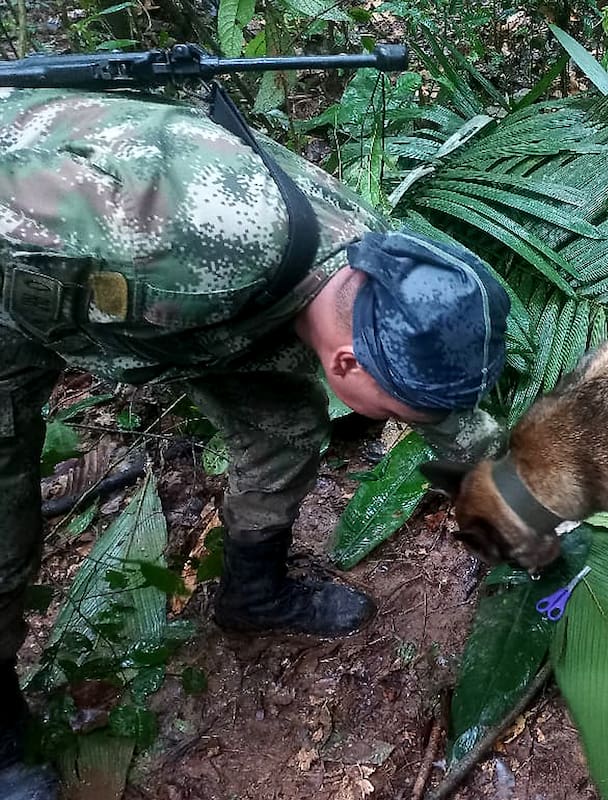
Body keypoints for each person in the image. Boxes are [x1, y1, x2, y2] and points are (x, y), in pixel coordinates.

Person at [0, 85, 510, 796]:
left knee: (286, 427)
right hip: (22, 263)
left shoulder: (380, 270)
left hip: (172, 305)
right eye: (400, 412)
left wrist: (505, 490)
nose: (407, 421)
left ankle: (253, 593)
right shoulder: (182, 241)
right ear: (346, 364)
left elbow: (443, 408)